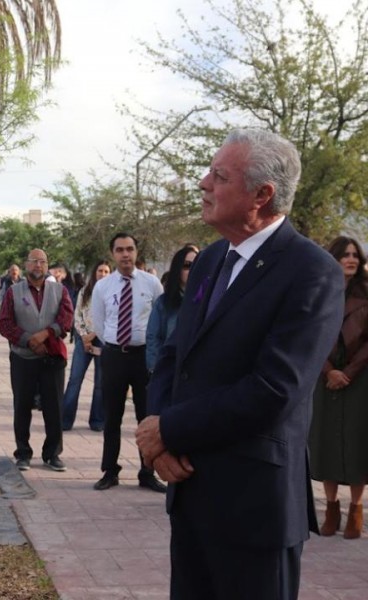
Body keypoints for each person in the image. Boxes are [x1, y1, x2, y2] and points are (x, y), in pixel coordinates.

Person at [136, 129, 343, 600]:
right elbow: (175, 355)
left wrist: (169, 430)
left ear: (262, 195)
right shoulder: (210, 260)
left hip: (254, 506)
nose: (203, 183)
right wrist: (159, 437)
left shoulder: (311, 271)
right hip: (189, 489)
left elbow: (275, 389)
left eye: (219, 175)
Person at [90, 233, 165, 493]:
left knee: (146, 415)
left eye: (130, 249)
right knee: (112, 416)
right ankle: (110, 471)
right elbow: (99, 324)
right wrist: (114, 343)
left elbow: (160, 320)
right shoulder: (103, 286)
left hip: (143, 358)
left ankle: (148, 471)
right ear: (112, 253)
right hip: (113, 356)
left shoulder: (152, 283)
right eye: (120, 250)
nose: (125, 254)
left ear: (136, 252)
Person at [309, 236, 368, 540]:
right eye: (344, 254)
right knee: (325, 443)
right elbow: (308, 334)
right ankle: (331, 508)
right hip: (324, 375)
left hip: (359, 378)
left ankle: (355, 509)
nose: (351, 259)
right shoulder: (319, 291)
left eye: (355, 255)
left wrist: (349, 372)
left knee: (357, 443)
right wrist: (329, 371)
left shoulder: (366, 293)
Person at [0, 248, 73, 472]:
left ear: (47, 265)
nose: (38, 265)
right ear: (26, 264)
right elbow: (5, 323)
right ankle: (23, 453)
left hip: (51, 358)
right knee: (22, 405)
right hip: (23, 357)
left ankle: (52, 454)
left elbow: (66, 319)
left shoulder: (60, 290)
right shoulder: (13, 292)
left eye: (42, 261)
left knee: (54, 406)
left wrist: (46, 334)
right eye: (33, 261)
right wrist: (29, 340)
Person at [62, 260, 110, 431]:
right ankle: (65, 420)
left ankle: (97, 420)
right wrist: (84, 336)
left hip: (103, 341)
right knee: (75, 379)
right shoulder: (85, 291)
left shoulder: (112, 292)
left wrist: (94, 334)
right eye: (100, 270)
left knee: (100, 383)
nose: (102, 274)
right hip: (83, 339)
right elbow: (78, 315)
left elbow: (110, 317)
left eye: (106, 271)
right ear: (94, 272)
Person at [145, 246, 198, 373]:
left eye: (197, 264)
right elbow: (153, 338)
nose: (192, 269)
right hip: (171, 369)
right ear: (177, 268)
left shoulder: (209, 298)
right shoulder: (163, 302)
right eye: (187, 265)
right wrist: (156, 369)